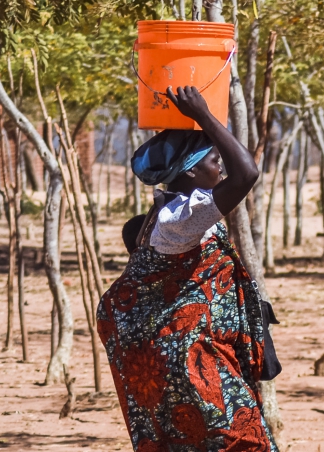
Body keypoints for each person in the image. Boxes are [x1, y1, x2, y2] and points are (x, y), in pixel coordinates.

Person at [98, 86, 277, 451]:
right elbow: (247, 174)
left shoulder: (169, 215)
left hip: (185, 354)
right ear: (192, 172)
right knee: (238, 440)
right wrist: (204, 116)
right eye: (214, 162)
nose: (221, 169)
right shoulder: (182, 217)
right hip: (190, 362)